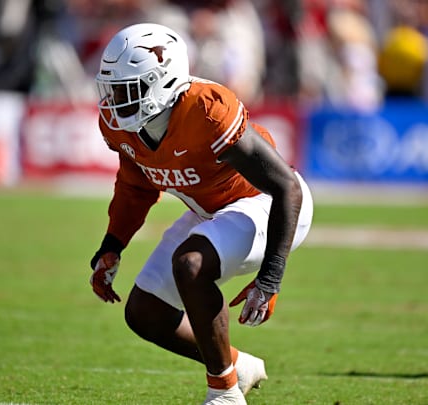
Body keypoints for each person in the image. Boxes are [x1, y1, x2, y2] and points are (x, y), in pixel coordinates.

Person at [87, 23, 314, 404]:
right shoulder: (121, 127)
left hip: (267, 204)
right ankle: (237, 368)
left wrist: (271, 277)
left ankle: (224, 393)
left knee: (191, 264)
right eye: (112, 89)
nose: (114, 102)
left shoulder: (207, 110)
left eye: (129, 89)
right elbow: (136, 185)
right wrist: (113, 244)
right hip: (211, 209)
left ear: (163, 81)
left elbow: (285, 187)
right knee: (145, 311)